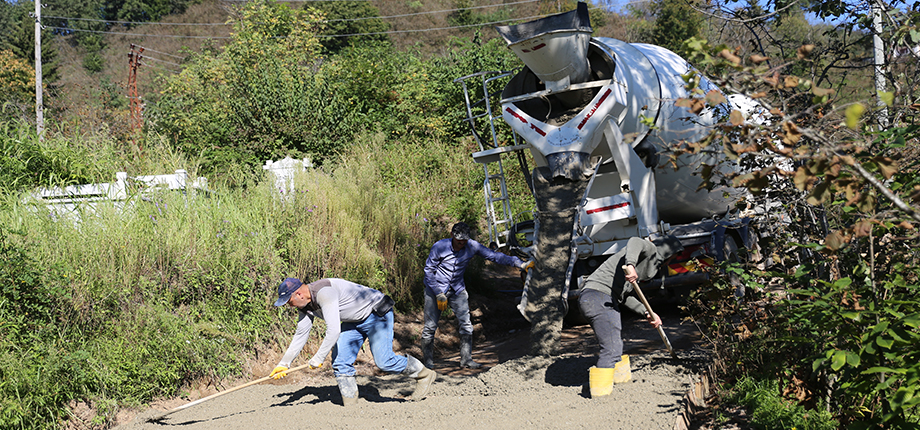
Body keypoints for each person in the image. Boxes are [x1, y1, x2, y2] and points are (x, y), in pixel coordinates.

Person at [269, 277, 437, 405]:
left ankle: (424, 375)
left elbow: (333, 330)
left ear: (298, 294)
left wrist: (319, 358)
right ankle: (351, 405)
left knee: (384, 361)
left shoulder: (324, 293)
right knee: (340, 361)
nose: (291, 306)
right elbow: (301, 334)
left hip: (376, 313)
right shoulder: (305, 305)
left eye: (289, 302)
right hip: (354, 321)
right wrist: (284, 363)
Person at [577, 235, 683, 397]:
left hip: (599, 298)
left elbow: (625, 297)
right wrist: (631, 264)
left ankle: (620, 381)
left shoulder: (645, 265)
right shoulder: (650, 250)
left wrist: (647, 312)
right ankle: (600, 395)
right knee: (611, 347)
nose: (669, 263)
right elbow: (635, 240)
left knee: (615, 342)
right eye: (672, 258)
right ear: (667, 253)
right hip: (597, 296)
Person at [421, 222, 533, 369]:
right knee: (430, 327)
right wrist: (438, 293)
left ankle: (466, 359)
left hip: (457, 289)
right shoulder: (439, 247)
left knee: (467, 325)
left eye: (464, 240)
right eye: (458, 240)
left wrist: (520, 264)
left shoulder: (472, 246)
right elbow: (429, 272)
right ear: (451, 236)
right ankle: (428, 362)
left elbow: (494, 256)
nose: (461, 243)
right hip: (435, 289)